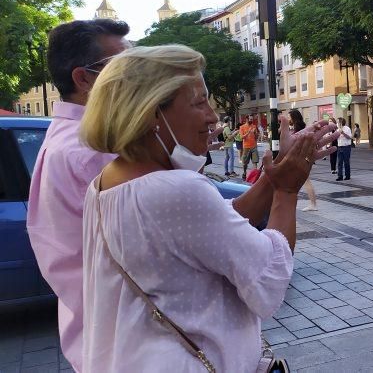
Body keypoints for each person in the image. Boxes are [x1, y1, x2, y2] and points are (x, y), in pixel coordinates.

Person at [79, 45, 338, 371]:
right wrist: (286, 190)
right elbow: (269, 280)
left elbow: (216, 227)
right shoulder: (177, 189)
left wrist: (274, 176)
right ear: (150, 114)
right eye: (200, 102)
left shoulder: (105, 184)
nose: (213, 116)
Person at [26, 19, 131, 371]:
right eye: (122, 66)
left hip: (100, 335)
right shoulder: (90, 148)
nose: (135, 75)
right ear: (83, 79)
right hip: (127, 339)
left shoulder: (72, 137)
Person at [289, 109, 320, 211]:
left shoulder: (298, 128)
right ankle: (312, 203)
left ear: (293, 117)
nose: (288, 119)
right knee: (301, 181)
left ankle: (313, 204)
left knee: (305, 181)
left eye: (290, 117)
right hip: (303, 156)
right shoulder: (302, 125)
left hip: (299, 157)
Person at [240, 114, 259, 180]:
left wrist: (255, 133)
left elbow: (256, 137)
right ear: (247, 119)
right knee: (245, 163)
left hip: (254, 147)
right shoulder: (242, 127)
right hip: (246, 147)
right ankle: (244, 173)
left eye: (252, 119)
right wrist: (248, 132)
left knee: (255, 162)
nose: (251, 120)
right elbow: (242, 137)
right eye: (250, 119)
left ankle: (255, 177)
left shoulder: (254, 126)